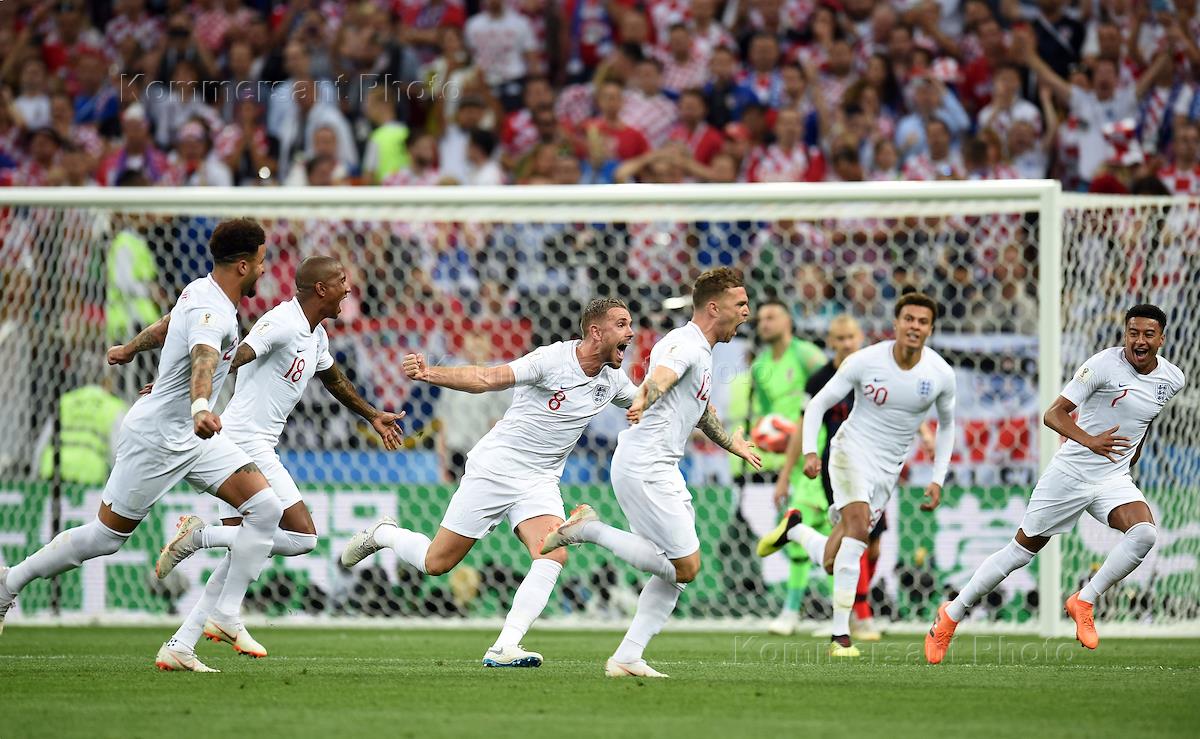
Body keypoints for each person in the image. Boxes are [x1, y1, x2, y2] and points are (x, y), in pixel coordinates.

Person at [0, 219, 282, 674]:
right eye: (262, 262)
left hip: (196, 438)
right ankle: (9, 583)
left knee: (265, 509)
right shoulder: (214, 313)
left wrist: (131, 348)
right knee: (104, 538)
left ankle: (213, 621)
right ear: (244, 266)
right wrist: (200, 407)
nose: (265, 271)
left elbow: (169, 325)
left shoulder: (199, 290)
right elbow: (204, 357)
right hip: (160, 438)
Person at [120, 257, 404, 659]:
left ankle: (182, 644)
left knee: (241, 556)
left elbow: (334, 379)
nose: (348, 288)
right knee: (303, 537)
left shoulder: (316, 335)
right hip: (243, 441)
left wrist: (372, 415)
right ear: (321, 289)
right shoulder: (282, 322)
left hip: (255, 442)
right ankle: (199, 538)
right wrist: (185, 383)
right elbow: (238, 353)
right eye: (341, 280)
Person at [341, 299, 637, 668]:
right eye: (622, 324)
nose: (631, 332)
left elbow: (648, 402)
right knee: (436, 563)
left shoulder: (612, 381)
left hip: (540, 479)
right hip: (495, 468)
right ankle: (384, 534)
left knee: (553, 554)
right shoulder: (551, 360)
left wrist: (695, 414)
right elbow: (487, 379)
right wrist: (430, 373)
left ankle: (504, 646)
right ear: (596, 332)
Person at [926, 305, 1185, 664]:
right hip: (1070, 474)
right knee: (1019, 553)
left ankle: (1084, 600)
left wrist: (1130, 461)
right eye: (1133, 333)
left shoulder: (1172, 379)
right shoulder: (1102, 365)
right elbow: (1053, 414)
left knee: (1144, 534)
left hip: (1112, 477)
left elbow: (1144, 421)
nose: (1139, 341)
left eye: (1148, 334)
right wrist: (1090, 441)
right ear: (1125, 333)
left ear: (1162, 339)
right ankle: (951, 615)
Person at [542, 268, 762, 678]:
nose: (748, 312)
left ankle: (627, 657)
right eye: (741, 304)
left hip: (661, 467)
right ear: (714, 308)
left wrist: (733, 444)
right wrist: (644, 397)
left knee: (676, 573)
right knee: (686, 566)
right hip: (646, 466)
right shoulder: (684, 345)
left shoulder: (702, 351)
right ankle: (588, 529)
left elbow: (700, 411)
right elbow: (663, 377)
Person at [758, 292, 956, 657]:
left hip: (887, 470)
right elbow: (817, 404)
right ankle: (841, 635)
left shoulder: (940, 374)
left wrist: (937, 477)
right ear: (896, 324)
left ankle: (794, 530)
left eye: (922, 321)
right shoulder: (865, 361)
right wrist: (810, 452)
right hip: (849, 453)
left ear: (930, 328)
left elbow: (947, 427)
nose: (914, 326)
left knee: (834, 559)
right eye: (908, 319)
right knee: (859, 530)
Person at [742, 300, 826, 636]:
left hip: (820, 448)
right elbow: (766, 416)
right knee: (818, 532)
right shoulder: (760, 366)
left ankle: (796, 611)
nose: (764, 323)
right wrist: (769, 438)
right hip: (794, 456)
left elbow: (832, 389)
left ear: (788, 319)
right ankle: (844, 614)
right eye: (760, 318)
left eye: (771, 316)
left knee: (801, 525)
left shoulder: (807, 355)